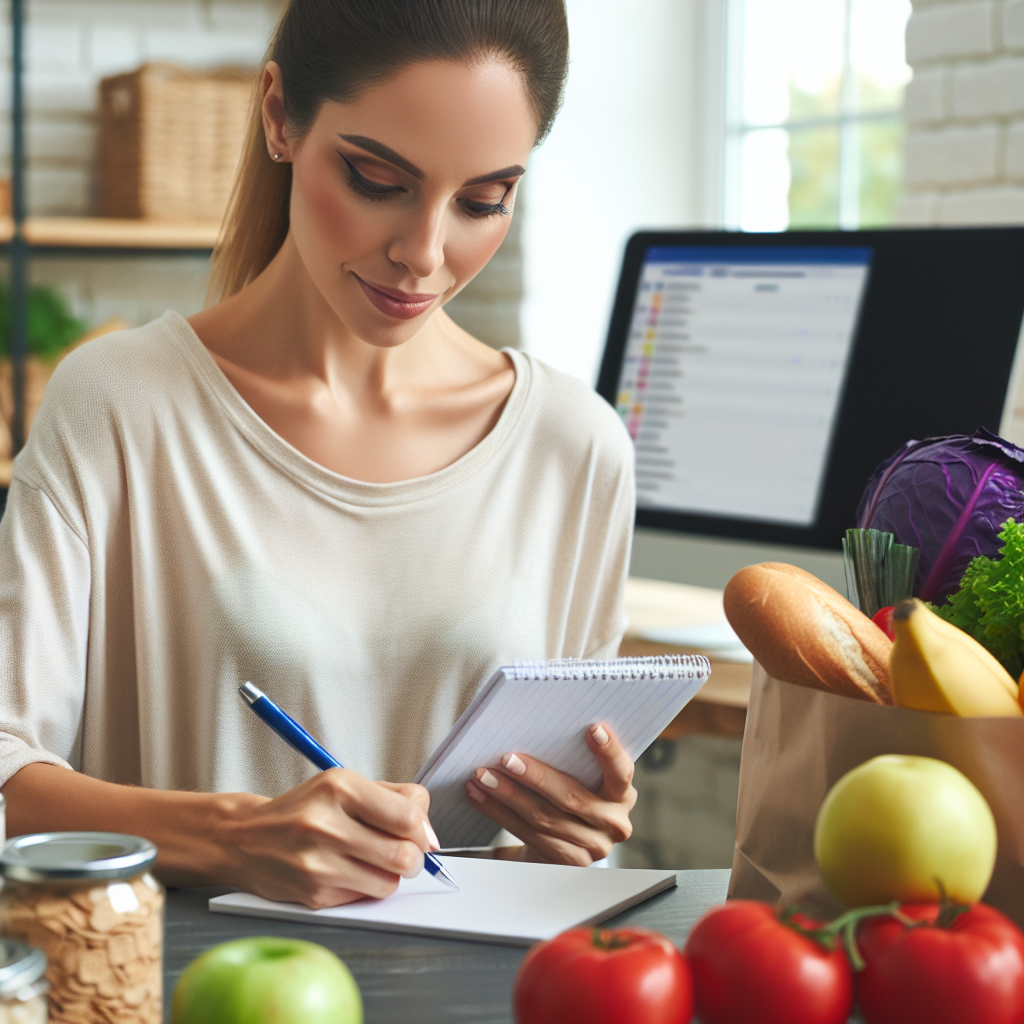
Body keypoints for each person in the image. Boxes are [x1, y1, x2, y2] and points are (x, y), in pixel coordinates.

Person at [0, 0, 636, 908]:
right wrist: (229, 836)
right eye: (377, 178)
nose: (424, 254)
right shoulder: (120, 403)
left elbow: (552, 869)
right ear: (278, 116)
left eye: (483, 200)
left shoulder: (575, 446)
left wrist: (568, 838)